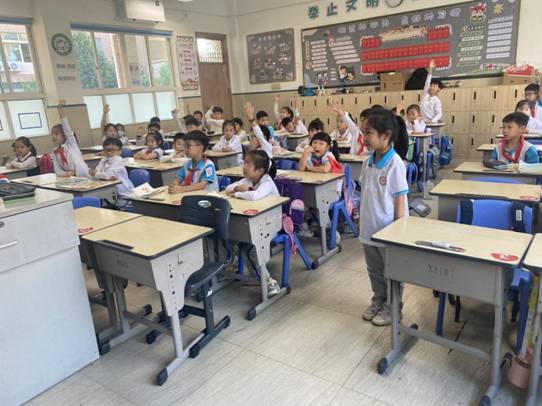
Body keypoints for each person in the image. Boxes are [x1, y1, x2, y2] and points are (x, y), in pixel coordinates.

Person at [358, 108, 410, 326]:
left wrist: (396, 232)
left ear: (386, 135)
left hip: (387, 230)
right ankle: (378, 300)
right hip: (369, 228)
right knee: (374, 270)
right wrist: (360, 219)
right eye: (363, 132)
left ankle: (393, 307)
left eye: (368, 133)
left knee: (392, 271)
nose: (364, 137)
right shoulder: (368, 162)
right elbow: (365, 193)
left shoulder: (395, 163)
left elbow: (400, 200)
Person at [225, 149, 281, 296]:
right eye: (244, 162)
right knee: (231, 238)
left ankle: (268, 281)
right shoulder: (248, 180)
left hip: (271, 223)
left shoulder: (267, 182)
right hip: (255, 222)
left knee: (248, 249)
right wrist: (236, 188)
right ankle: (235, 267)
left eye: (248, 164)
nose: (244, 167)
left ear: (260, 170)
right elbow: (227, 188)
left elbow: (255, 196)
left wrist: (237, 194)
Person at [51, 100, 89, 177]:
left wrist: (60, 110)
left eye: (56, 134)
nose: (53, 136)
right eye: (52, 134)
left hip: (83, 174)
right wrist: (66, 173)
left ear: (64, 135)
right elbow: (57, 170)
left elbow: (67, 129)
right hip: (71, 178)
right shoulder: (55, 151)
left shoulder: (71, 144)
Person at [420, 59, 444, 123]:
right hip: (423, 122)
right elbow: (428, 81)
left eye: (434, 86)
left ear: (438, 89)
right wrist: (430, 69)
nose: (431, 87)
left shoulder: (437, 101)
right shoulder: (425, 94)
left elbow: (439, 113)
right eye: (431, 85)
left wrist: (432, 121)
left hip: (432, 123)